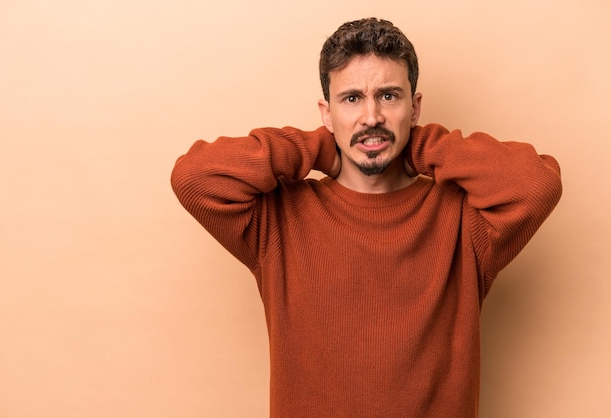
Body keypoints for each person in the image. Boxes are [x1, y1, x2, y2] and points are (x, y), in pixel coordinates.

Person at [171, 17, 562, 417]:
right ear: (327, 112)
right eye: (352, 99)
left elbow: (536, 184)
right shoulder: (278, 220)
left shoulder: (465, 222)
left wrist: (418, 146)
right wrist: (321, 147)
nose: (371, 116)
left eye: (390, 97)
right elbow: (193, 177)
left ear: (415, 107)